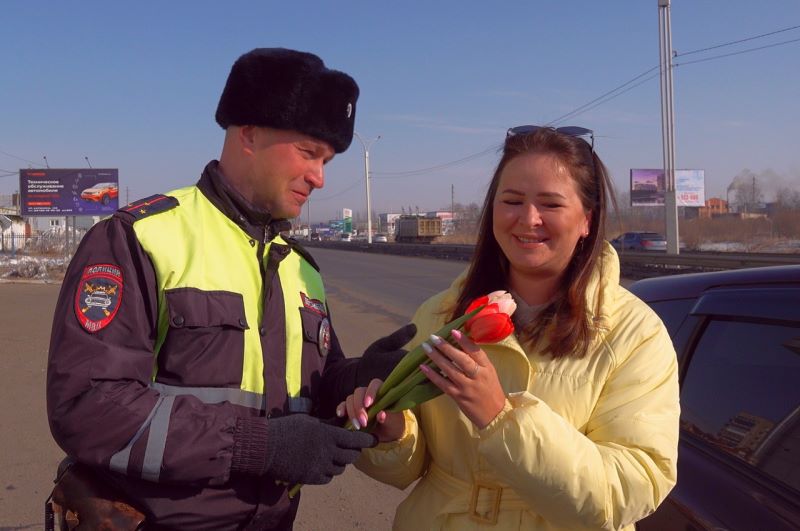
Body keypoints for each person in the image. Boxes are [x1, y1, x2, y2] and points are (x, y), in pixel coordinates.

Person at [46, 47, 416, 530]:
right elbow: (88, 406)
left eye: (327, 160)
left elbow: (310, 392)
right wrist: (257, 446)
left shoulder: (300, 268)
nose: (320, 178)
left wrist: (361, 377)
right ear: (249, 133)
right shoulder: (139, 240)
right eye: (308, 153)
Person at [341, 126, 680, 530]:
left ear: (587, 220)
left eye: (550, 204)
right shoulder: (441, 314)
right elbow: (406, 471)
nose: (528, 219)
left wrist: (502, 417)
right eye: (512, 201)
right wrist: (393, 433)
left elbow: (627, 492)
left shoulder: (634, 333)